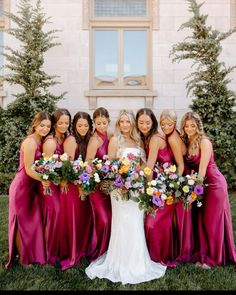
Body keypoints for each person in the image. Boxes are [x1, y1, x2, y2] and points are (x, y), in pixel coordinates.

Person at [85, 109, 167, 285]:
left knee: (135, 223)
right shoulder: (115, 140)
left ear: (132, 123)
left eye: (127, 121)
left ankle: (138, 262)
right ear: (118, 123)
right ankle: (120, 261)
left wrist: (148, 186)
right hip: (120, 190)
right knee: (122, 224)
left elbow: (145, 166)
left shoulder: (138, 141)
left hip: (136, 189)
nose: (124, 124)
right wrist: (121, 180)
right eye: (121, 121)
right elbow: (111, 165)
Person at [136, 108, 193, 267]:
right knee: (156, 220)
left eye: (148, 122)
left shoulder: (159, 138)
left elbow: (150, 166)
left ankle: (158, 255)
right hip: (161, 182)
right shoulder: (157, 137)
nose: (144, 125)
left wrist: (152, 190)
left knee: (152, 222)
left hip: (166, 185)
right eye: (164, 124)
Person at [180, 111, 236, 268]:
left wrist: (193, 192)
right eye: (187, 126)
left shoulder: (204, 142)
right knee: (202, 221)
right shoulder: (188, 141)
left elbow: (202, 170)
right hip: (201, 184)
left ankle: (213, 258)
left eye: (193, 125)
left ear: (198, 126)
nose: (190, 128)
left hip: (214, 184)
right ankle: (203, 254)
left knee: (212, 222)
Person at [5, 111, 52, 268]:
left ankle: (31, 253)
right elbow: (29, 169)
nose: (45, 128)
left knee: (31, 222)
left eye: (48, 126)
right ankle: (23, 259)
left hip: (31, 187)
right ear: (35, 125)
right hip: (22, 187)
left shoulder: (40, 140)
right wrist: (45, 179)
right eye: (42, 125)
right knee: (20, 222)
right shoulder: (31, 142)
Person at [59, 111, 93, 270]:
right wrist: (80, 187)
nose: (83, 128)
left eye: (86, 125)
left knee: (83, 220)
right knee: (74, 220)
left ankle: (83, 248)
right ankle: (73, 251)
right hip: (73, 188)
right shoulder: (71, 140)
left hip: (83, 185)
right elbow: (69, 167)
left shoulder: (87, 140)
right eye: (80, 125)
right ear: (74, 126)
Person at [38, 108, 71, 266]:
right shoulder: (51, 141)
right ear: (54, 123)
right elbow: (46, 167)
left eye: (66, 123)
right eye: (60, 123)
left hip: (58, 184)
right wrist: (51, 182)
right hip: (49, 184)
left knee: (59, 216)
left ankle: (57, 250)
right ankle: (50, 255)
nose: (64, 125)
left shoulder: (63, 138)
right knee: (54, 214)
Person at [85, 107, 112, 261]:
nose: (102, 126)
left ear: (108, 121)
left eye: (104, 122)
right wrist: (99, 174)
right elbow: (88, 163)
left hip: (108, 185)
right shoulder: (94, 140)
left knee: (111, 217)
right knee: (103, 219)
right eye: (98, 123)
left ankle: (109, 248)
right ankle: (98, 250)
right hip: (97, 186)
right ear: (94, 123)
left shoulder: (110, 135)